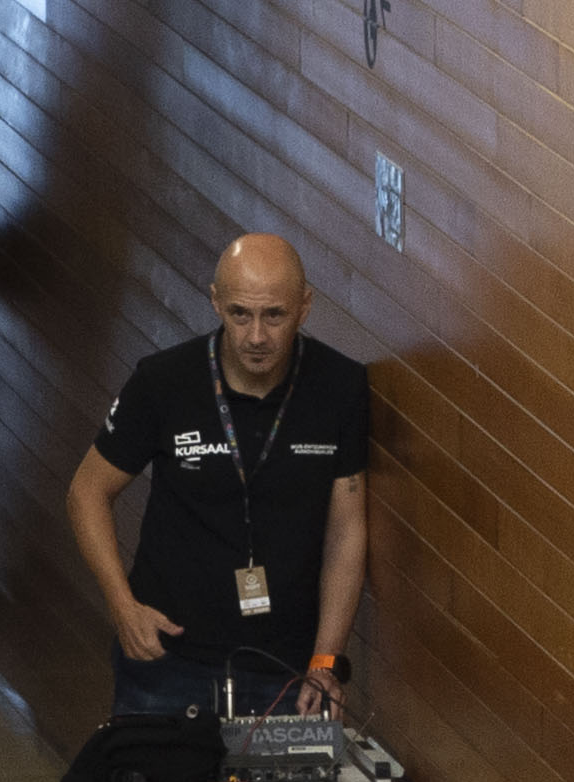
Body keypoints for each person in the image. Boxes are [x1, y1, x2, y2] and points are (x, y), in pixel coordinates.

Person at [70, 234, 371, 720]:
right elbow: (86, 492)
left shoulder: (340, 387)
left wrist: (326, 659)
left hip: (286, 666)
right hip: (168, 656)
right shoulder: (163, 382)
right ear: (215, 301)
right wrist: (123, 606)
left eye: (274, 315)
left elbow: (347, 529)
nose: (256, 336)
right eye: (239, 314)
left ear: (305, 306)